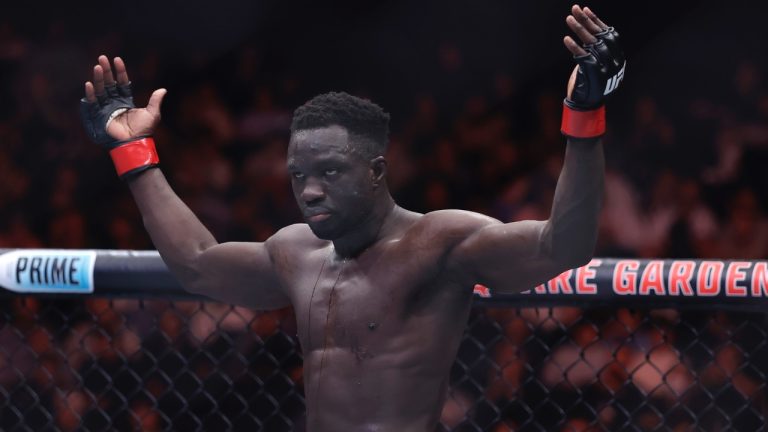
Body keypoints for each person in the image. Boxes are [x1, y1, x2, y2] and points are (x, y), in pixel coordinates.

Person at [79, 5, 624, 431]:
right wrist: (133, 153)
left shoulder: (438, 242)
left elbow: (563, 246)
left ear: (377, 170)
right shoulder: (295, 252)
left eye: (330, 172)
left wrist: (583, 116)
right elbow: (197, 264)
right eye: (298, 175)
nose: (310, 190)